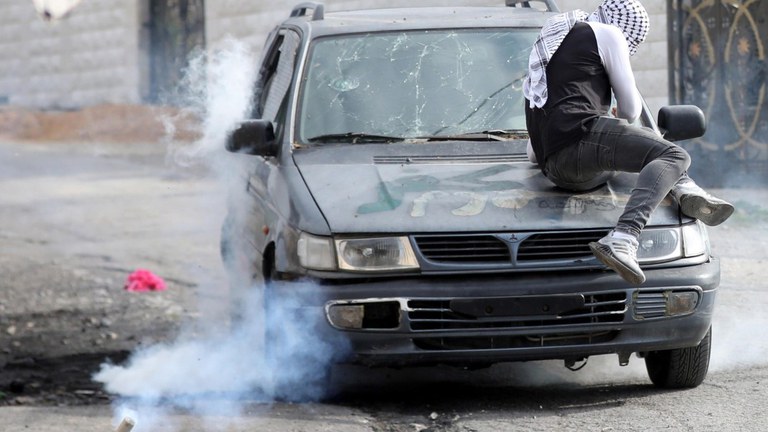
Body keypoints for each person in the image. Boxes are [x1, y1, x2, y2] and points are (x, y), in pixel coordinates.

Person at [523, 0, 734, 285]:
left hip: (556, 168)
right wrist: (612, 113)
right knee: (673, 156)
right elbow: (631, 110)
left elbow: (532, 154)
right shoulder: (607, 34)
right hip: (581, 143)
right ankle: (624, 237)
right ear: (626, 31)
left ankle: (684, 188)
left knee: (650, 152)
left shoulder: (552, 43)